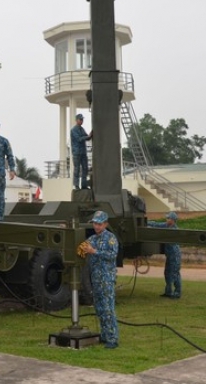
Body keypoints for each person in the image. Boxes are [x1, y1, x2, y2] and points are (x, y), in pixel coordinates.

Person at [82, 210, 119, 349]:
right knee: (99, 308)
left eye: (99, 224)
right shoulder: (92, 239)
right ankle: (104, 335)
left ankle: (112, 338)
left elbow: (112, 255)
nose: (96, 226)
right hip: (96, 279)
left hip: (107, 279)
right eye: (95, 223)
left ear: (105, 224)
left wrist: (94, 252)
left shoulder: (111, 238)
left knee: (108, 308)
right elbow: (81, 248)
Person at [148, 212, 181, 299]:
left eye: (168, 218)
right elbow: (156, 224)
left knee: (175, 273)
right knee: (167, 273)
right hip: (169, 255)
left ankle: (177, 293)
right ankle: (168, 291)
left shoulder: (175, 230)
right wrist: (146, 222)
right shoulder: (166, 225)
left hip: (175, 254)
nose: (166, 220)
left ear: (173, 220)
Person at [70, 113, 93, 190]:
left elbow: (87, 137)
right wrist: (87, 136)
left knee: (85, 168)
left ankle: (84, 185)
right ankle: (76, 185)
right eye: (80, 119)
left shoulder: (82, 129)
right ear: (77, 120)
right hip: (77, 153)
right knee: (77, 169)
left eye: (82, 119)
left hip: (83, 152)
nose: (82, 121)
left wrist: (91, 134)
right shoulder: (73, 130)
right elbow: (79, 139)